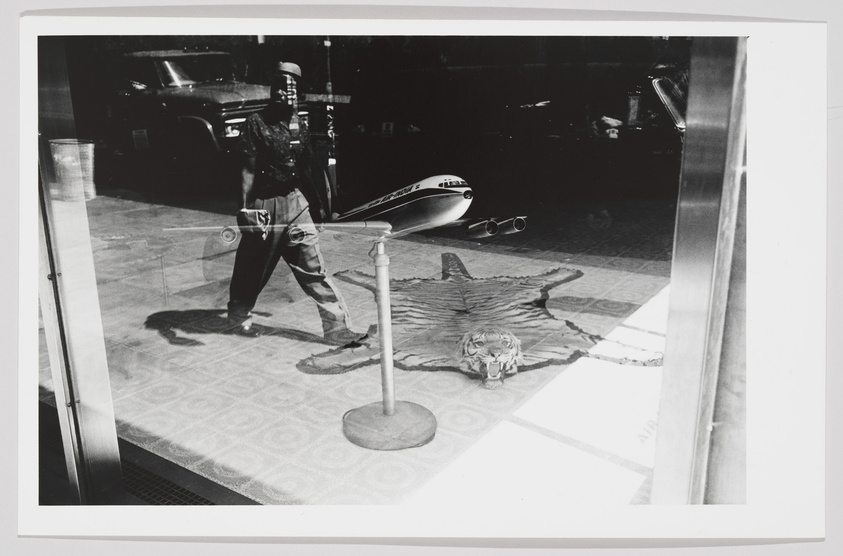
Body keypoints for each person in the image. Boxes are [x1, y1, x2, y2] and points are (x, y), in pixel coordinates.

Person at [227, 61, 364, 345]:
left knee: (314, 269)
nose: (281, 93)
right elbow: (247, 169)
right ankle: (238, 315)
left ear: (296, 93)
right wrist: (243, 209)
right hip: (265, 207)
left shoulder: (299, 124)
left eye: (287, 88)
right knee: (254, 268)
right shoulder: (256, 123)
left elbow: (308, 169)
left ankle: (337, 328)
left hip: (295, 204)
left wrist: (322, 206)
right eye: (277, 86)